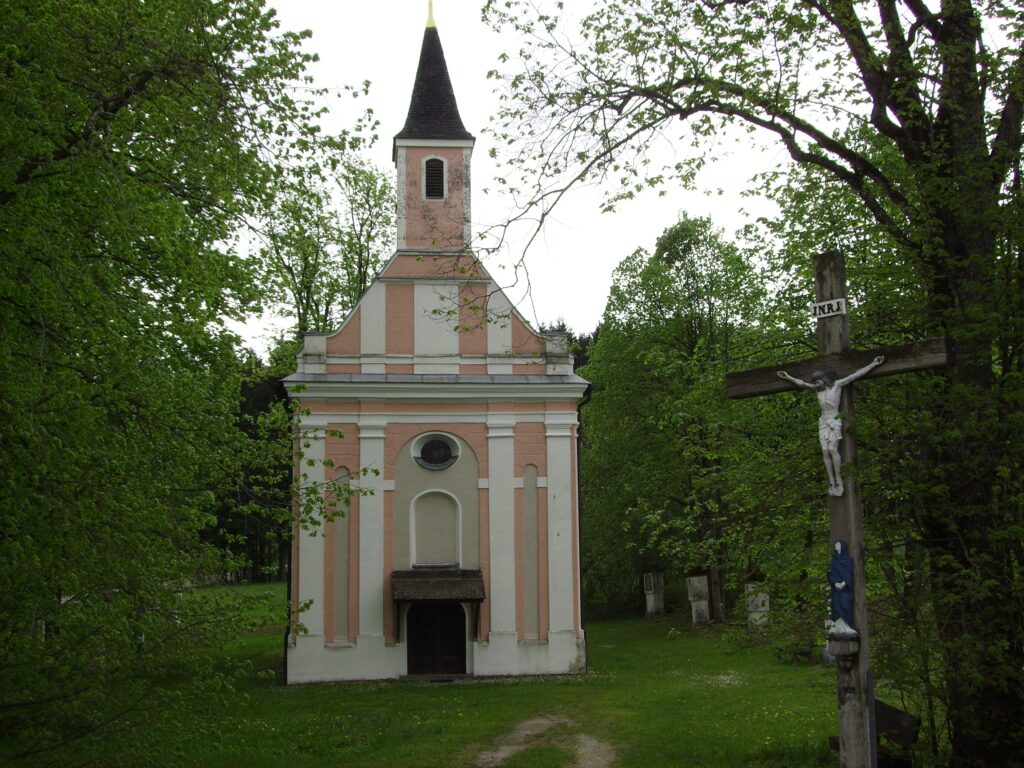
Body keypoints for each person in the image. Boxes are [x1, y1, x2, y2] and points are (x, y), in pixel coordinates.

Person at [777, 356, 884, 496]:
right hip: (823, 421)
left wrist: (873, 363)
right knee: (825, 450)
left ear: (824, 379)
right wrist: (788, 377)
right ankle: (831, 480)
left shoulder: (837, 385)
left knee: (833, 449)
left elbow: (856, 375)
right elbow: (802, 384)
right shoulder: (817, 390)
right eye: (815, 382)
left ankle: (839, 479)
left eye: (818, 380)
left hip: (834, 420)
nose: (817, 383)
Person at [828, 539, 857, 637]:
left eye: (838, 544)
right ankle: (838, 627)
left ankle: (847, 627)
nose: (836, 546)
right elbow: (832, 573)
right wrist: (835, 583)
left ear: (842, 546)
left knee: (845, 606)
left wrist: (843, 583)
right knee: (836, 606)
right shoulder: (834, 560)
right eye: (835, 544)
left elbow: (849, 573)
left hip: (845, 589)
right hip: (837, 589)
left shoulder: (848, 560)